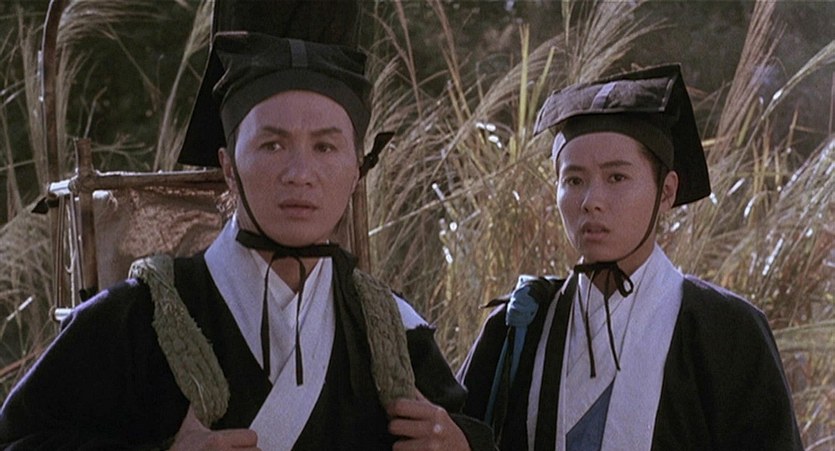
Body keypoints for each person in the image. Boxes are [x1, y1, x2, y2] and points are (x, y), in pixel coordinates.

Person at [0, 2, 494, 450]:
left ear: (356, 171)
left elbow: (480, 434)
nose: (300, 173)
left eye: (325, 147)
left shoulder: (392, 331)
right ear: (229, 166)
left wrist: (459, 443)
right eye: (272, 145)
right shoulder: (135, 320)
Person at [457, 64, 803, 451]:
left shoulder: (725, 331)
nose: (591, 202)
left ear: (666, 192)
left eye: (616, 178)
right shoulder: (520, 324)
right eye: (574, 180)